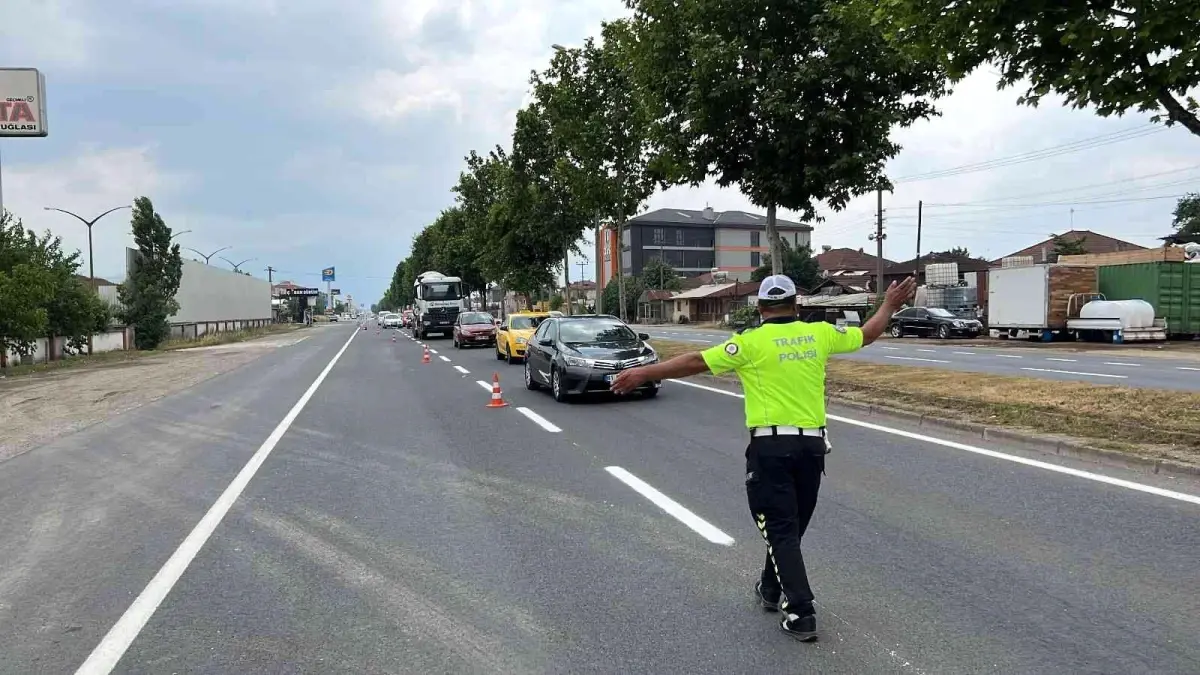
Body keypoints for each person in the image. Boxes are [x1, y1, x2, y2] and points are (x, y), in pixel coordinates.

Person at [610, 273, 916, 642]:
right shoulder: (818, 334)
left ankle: (801, 611)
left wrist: (642, 372)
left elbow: (695, 362)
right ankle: (770, 589)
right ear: (796, 304)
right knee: (790, 528)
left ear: (759, 308)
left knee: (782, 529)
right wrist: (888, 305)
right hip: (812, 449)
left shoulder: (749, 343)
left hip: (771, 450)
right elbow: (866, 334)